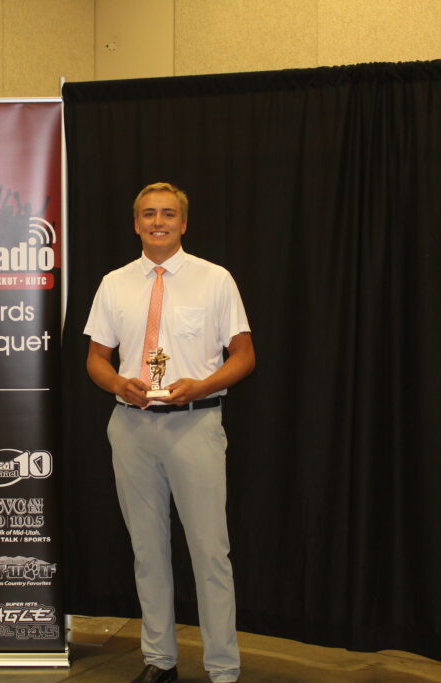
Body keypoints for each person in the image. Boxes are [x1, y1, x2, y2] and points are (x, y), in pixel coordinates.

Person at [84, 182, 255, 683]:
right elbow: (96, 359)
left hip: (195, 426)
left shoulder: (214, 279)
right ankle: (160, 661)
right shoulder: (114, 283)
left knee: (210, 552)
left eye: (168, 214)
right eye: (148, 214)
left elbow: (244, 356)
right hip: (131, 427)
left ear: (184, 223)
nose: (158, 222)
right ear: (136, 223)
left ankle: (223, 670)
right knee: (147, 551)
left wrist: (203, 384)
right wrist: (117, 383)